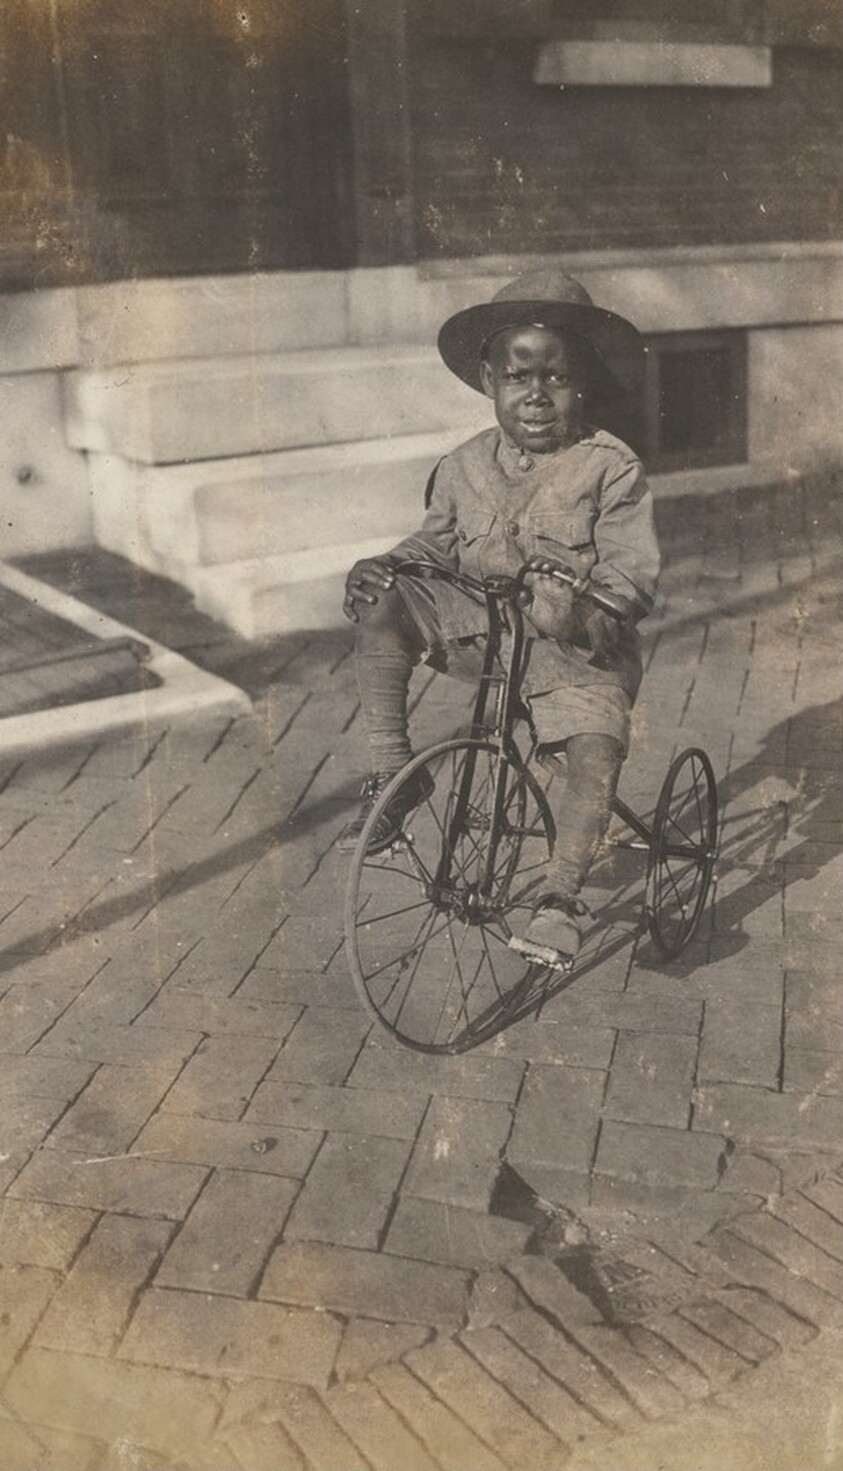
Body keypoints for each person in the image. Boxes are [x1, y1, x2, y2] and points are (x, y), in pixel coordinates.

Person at [338, 269, 660, 964]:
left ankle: (559, 896)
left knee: (589, 752)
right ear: (489, 383)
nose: (536, 397)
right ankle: (395, 772)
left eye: (557, 379)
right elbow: (432, 544)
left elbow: (630, 580)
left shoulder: (610, 469)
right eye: (518, 379)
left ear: (585, 385)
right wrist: (384, 564)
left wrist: (574, 603)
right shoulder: (462, 466)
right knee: (380, 597)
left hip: (579, 651)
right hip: (483, 637)